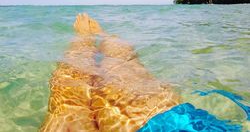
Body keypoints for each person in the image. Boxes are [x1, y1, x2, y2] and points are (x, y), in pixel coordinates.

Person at [40, 13, 180, 132]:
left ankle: (84, 38)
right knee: (124, 68)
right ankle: (102, 37)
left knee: (69, 100)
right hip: (173, 124)